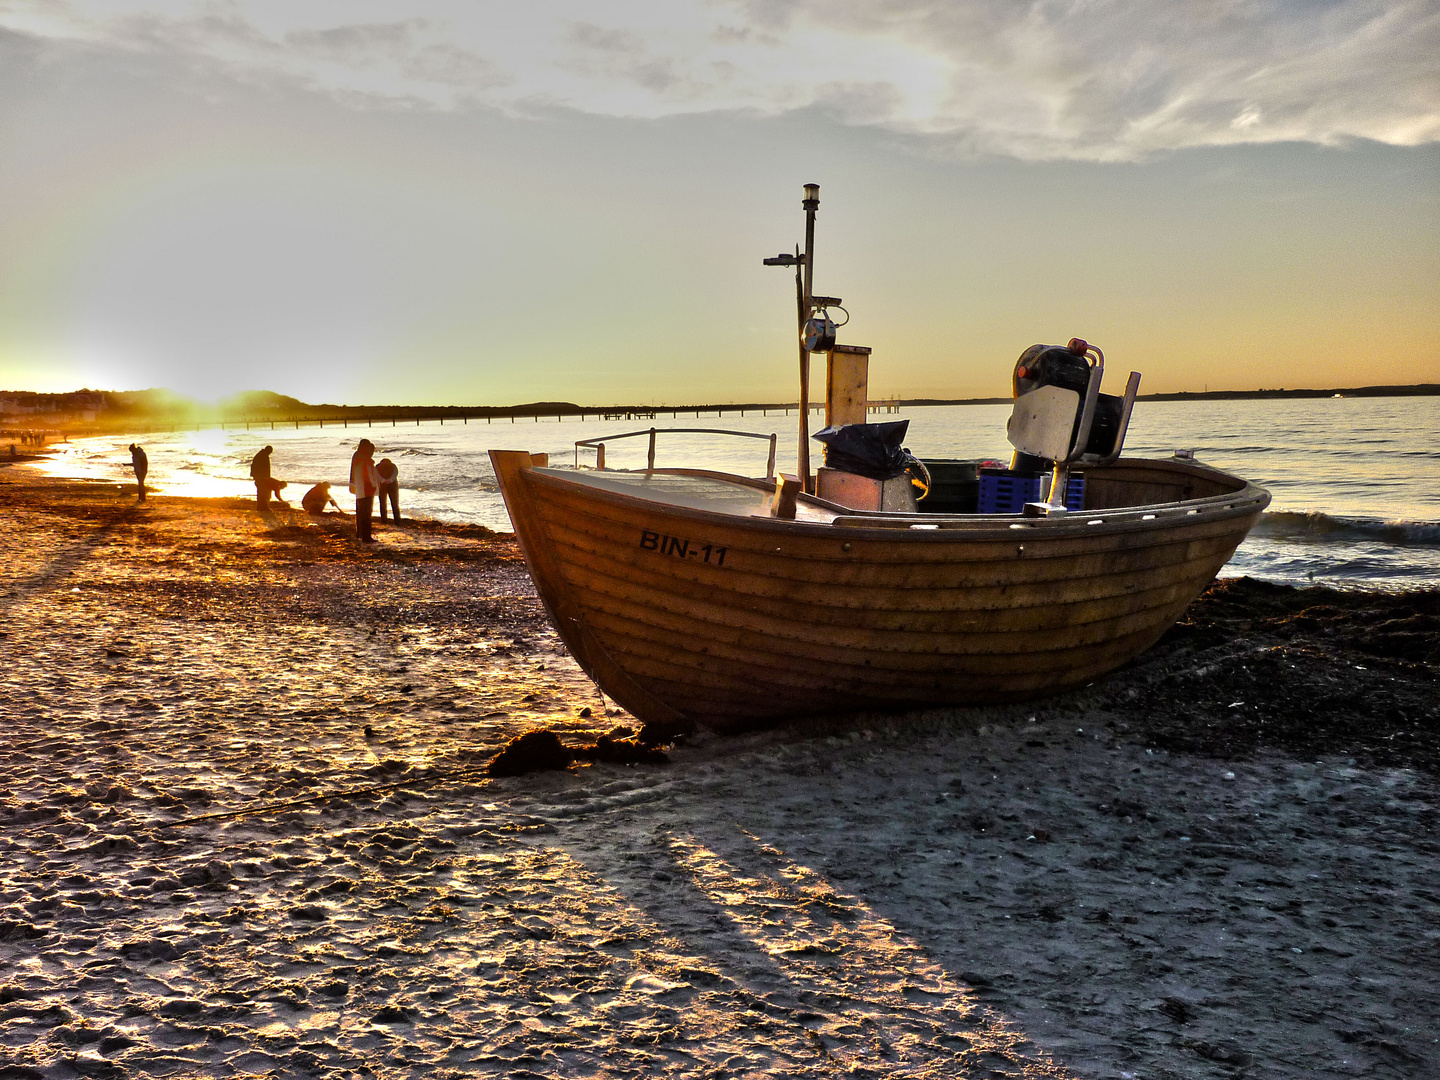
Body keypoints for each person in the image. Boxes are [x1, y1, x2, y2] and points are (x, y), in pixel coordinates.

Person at [349, 439, 380, 543]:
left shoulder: (357, 457)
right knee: (366, 514)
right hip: (366, 489)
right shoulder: (365, 460)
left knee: (361, 513)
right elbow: (368, 476)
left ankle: (360, 533)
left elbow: (353, 473)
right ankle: (366, 536)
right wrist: (375, 485)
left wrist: (352, 483)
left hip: (359, 488)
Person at [376, 458, 400, 522]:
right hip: (393, 485)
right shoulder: (393, 466)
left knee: (382, 503)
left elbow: (377, 475)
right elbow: (395, 473)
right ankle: (397, 520)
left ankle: (384, 520)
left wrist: (383, 480)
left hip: (381, 485)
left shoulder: (377, 466)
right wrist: (390, 480)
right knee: (395, 503)